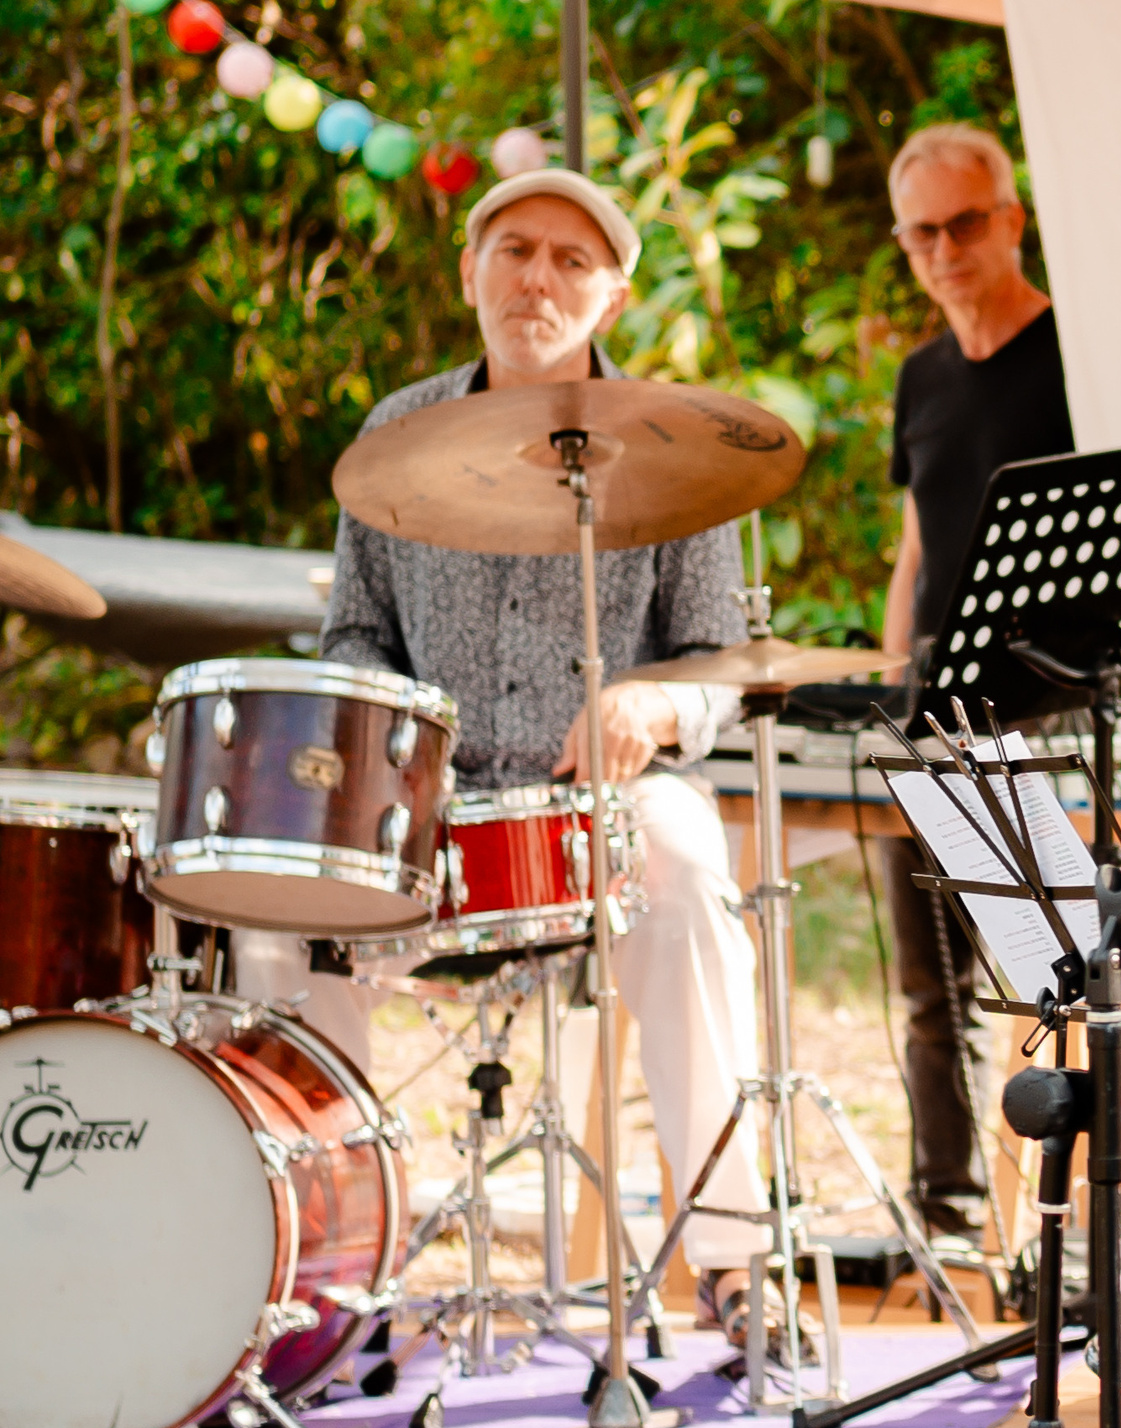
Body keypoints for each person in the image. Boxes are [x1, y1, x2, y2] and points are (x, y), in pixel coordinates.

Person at [243, 167, 782, 1348]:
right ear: (470, 272)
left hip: (604, 809)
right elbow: (357, 633)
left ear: (612, 295)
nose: (539, 277)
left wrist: (652, 703)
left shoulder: (681, 446)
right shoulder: (396, 430)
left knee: (692, 869)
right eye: (516, 250)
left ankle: (739, 1262)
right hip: (428, 816)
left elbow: (719, 661)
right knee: (275, 913)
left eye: (571, 260)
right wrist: (384, 745)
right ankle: (327, 1260)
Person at [876, 122, 1075, 1236]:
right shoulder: (920, 379)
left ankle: (1047, 1220)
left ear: (1009, 218)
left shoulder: (1076, 355)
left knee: (1054, 987)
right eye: (922, 232)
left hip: (1054, 718)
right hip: (937, 720)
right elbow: (914, 549)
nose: (944, 249)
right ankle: (945, 1215)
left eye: (963, 223)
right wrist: (896, 692)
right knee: (930, 992)